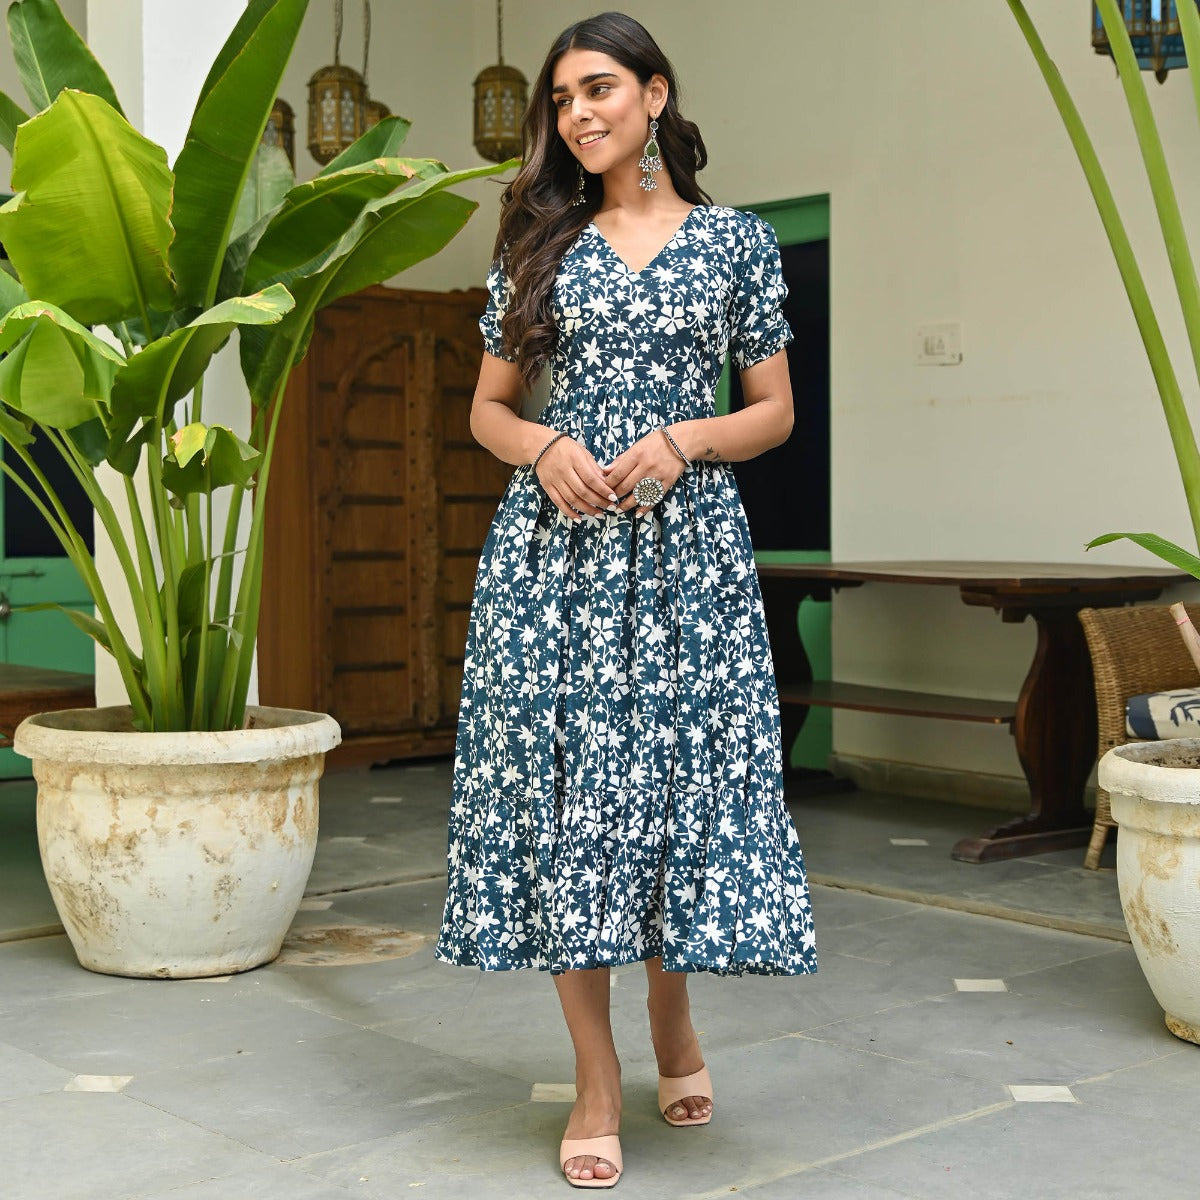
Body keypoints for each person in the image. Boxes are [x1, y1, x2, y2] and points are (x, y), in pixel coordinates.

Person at [435, 10, 816, 1189]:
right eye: (561, 99)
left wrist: (687, 439)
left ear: (656, 93)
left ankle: (676, 1024)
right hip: (554, 565)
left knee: (672, 794)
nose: (578, 113)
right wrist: (541, 445)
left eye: (598, 88)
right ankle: (599, 1076)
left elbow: (773, 411)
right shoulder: (537, 247)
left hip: (688, 561)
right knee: (570, 803)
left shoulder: (736, 244)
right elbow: (486, 410)